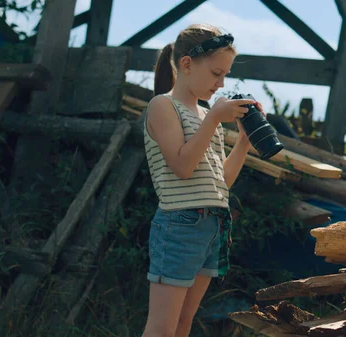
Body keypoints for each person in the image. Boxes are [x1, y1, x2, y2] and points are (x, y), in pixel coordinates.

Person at [141, 23, 264, 337]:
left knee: (183, 325)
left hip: (213, 225)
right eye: (215, 73)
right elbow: (182, 166)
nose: (221, 84)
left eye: (224, 75)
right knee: (162, 329)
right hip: (180, 224)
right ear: (186, 65)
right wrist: (213, 118)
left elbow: (221, 181)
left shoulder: (208, 116)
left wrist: (244, 142)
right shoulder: (163, 106)